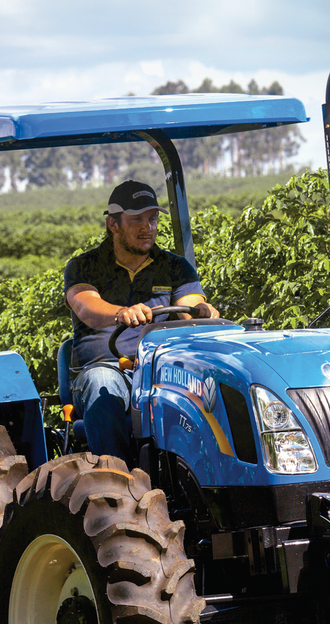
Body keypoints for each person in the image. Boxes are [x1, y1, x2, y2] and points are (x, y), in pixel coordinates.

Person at [63, 179, 219, 460]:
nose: (147, 227)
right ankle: (118, 483)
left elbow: (190, 305)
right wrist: (119, 312)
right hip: (108, 367)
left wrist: (202, 310)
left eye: (152, 219)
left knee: (210, 386)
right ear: (113, 224)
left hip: (161, 368)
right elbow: (86, 306)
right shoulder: (84, 266)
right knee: (102, 385)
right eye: (136, 220)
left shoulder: (175, 267)